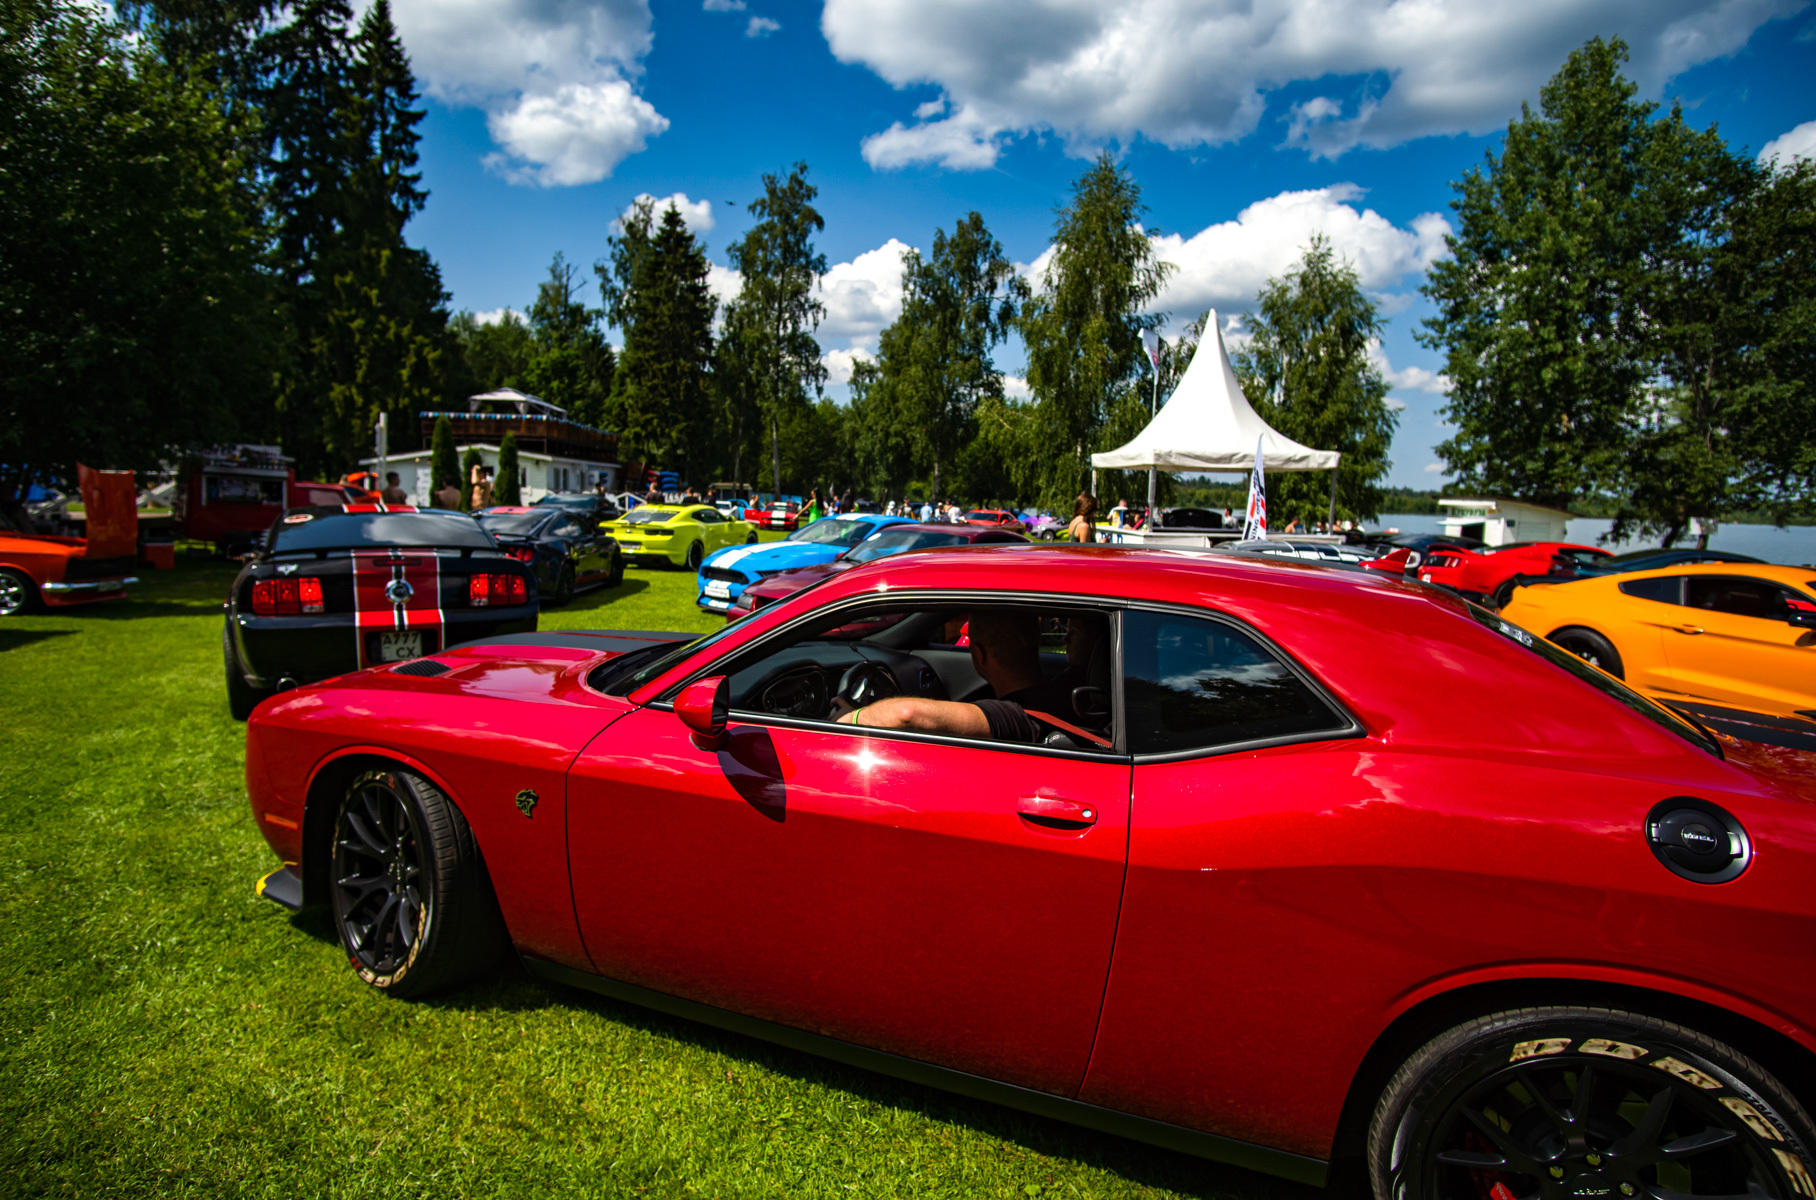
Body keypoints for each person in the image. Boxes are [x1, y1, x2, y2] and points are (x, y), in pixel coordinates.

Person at [836, 611, 1109, 746]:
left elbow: (906, 714)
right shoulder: (1074, 687)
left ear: (978, 654)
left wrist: (849, 718)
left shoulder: (1020, 717)